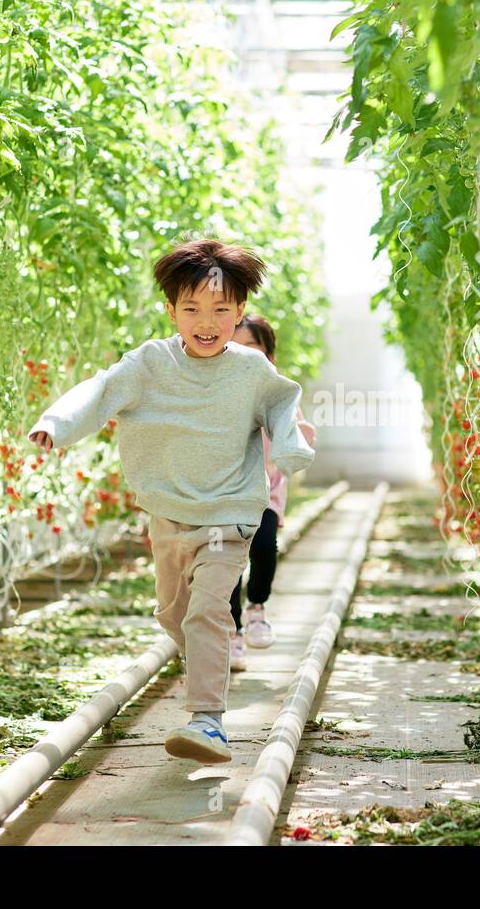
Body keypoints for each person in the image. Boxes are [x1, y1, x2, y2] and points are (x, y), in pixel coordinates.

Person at [27, 240, 315, 764]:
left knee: (207, 611)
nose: (207, 322)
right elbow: (98, 390)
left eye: (222, 310)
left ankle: (208, 722)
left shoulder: (251, 370)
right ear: (171, 310)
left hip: (230, 514)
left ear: (241, 312)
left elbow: (283, 406)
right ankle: (206, 662)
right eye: (192, 309)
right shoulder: (149, 364)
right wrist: (56, 424)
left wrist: (293, 446)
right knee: (174, 614)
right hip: (168, 513)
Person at [226, 315, 317, 671]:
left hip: (266, 488)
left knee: (263, 548)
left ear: (269, 355)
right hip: (225, 492)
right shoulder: (218, 386)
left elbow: (297, 432)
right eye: (237, 346)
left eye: (253, 348)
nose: (244, 354)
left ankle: (257, 608)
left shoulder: (278, 390)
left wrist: (300, 434)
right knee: (228, 562)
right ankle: (232, 633)